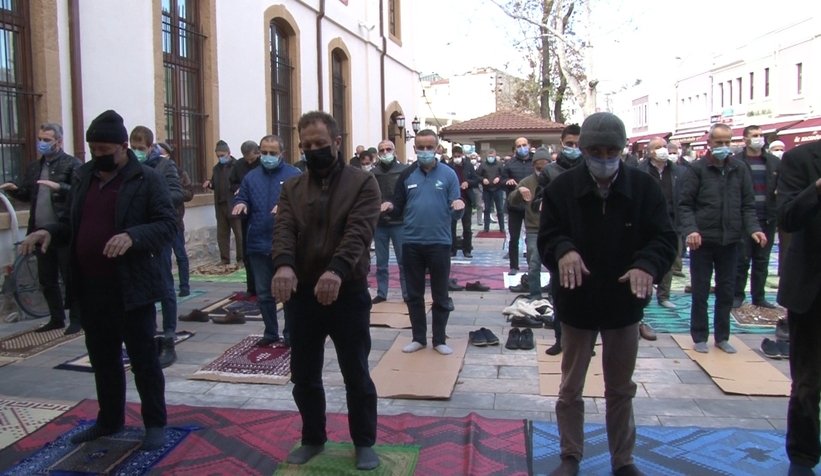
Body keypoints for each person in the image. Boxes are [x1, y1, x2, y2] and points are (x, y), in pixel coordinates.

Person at [20, 110, 177, 450]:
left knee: (143, 360)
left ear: (123, 147)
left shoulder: (146, 179)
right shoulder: (83, 177)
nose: (99, 156)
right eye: (94, 149)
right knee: (103, 359)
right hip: (91, 288)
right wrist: (47, 231)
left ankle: (154, 423)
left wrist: (133, 236)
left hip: (131, 287)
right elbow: (71, 223)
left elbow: (167, 225)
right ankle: (109, 419)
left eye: (106, 150)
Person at [539, 112, 677, 476]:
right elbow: (547, 236)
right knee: (570, 386)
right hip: (577, 299)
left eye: (611, 150)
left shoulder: (644, 188)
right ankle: (571, 455)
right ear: (583, 150)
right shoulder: (561, 189)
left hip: (623, 303)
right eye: (595, 150)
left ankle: (623, 459)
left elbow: (664, 238)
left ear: (623, 149)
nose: (603, 157)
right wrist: (564, 249)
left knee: (620, 387)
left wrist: (647, 264)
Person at [271, 111, 380, 470]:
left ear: (336, 142)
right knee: (303, 374)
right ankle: (313, 438)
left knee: (356, 372)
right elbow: (284, 228)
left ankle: (363, 441)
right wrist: (284, 264)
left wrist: (336, 270)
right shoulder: (292, 188)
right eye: (307, 145)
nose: (314, 150)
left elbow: (359, 232)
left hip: (346, 292)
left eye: (321, 143)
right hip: (303, 296)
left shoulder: (363, 183)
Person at [679, 123, 767, 354]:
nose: (724, 146)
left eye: (727, 142)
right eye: (719, 143)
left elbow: (747, 205)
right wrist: (691, 230)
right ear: (709, 143)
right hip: (703, 241)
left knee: (726, 290)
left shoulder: (739, 169)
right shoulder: (697, 170)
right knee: (700, 290)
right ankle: (699, 335)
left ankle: (722, 336)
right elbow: (685, 204)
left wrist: (754, 229)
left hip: (731, 240)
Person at [383, 129, 465, 355]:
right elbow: (398, 206)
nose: (425, 151)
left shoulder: (448, 175)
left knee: (440, 294)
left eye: (430, 147)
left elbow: (455, 208)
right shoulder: (407, 175)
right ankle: (418, 337)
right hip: (411, 243)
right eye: (421, 147)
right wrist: (390, 208)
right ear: (415, 148)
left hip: (439, 242)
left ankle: (439, 339)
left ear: (438, 148)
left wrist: (459, 207)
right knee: (414, 294)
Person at [0, 123, 82, 335]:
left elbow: (79, 193)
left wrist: (60, 187)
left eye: (47, 140)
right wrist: (15, 191)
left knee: (70, 276)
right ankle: (56, 318)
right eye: (40, 139)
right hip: (38, 230)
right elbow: (29, 194)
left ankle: (76, 318)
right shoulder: (35, 167)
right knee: (46, 278)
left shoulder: (72, 165)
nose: (42, 143)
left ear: (59, 141)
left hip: (63, 231)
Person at [775, 140, 821, 476]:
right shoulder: (799, 160)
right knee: (808, 382)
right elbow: (787, 217)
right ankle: (802, 459)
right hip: (812, 289)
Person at [233, 135, 300, 346]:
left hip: (286, 244)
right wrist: (241, 203)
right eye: (264, 152)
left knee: (289, 291)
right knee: (264, 293)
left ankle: (291, 333)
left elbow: (305, 202)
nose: (268, 157)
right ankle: (271, 332)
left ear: (282, 154)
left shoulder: (294, 175)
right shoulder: (251, 177)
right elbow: (241, 195)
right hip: (258, 243)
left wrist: (286, 206)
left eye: (272, 153)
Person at [129, 126, 183, 368]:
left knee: (164, 285)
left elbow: (176, 193)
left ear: (151, 147)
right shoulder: (128, 168)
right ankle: (147, 333)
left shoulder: (164, 166)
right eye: (133, 147)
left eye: (141, 148)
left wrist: (151, 198)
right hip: (137, 235)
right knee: (141, 284)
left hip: (159, 233)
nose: (136, 152)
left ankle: (169, 336)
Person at [533, 124, 583, 356]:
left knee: (586, 293)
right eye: (570, 144)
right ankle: (559, 338)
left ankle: (584, 341)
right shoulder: (550, 171)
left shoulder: (590, 169)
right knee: (558, 291)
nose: (574, 148)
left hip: (585, 238)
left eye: (578, 144)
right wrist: (541, 203)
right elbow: (537, 200)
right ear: (562, 143)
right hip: (558, 239)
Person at [732, 125, 780, 309]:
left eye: (761, 135)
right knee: (742, 259)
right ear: (745, 139)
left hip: (767, 216)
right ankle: (737, 294)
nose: (759, 138)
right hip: (743, 217)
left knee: (762, 260)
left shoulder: (773, 162)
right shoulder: (736, 162)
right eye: (754, 135)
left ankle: (759, 297)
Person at [637, 137, 686, 312]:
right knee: (646, 258)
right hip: (646, 221)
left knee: (669, 258)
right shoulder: (640, 171)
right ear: (650, 151)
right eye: (658, 147)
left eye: (665, 146)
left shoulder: (678, 171)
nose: (663, 150)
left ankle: (664, 295)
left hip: (672, 221)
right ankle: (644, 294)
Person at [507, 146, 550, 300]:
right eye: (539, 167)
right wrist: (519, 192)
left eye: (546, 166)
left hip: (553, 228)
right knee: (534, 263)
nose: (542, 170)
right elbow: (511, 201)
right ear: (534, 166)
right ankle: (535, 295)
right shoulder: (527, 181)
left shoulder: (557, 180)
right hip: (533, 229)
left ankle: (553, 294)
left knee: (556, 264)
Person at [371, 139, 408, 304]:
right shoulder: (372, 173)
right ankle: (382, 292)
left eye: (388, 149)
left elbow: (407, 195)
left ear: (394, 151)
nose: (385, 152)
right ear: (378, 153)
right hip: (379, 224)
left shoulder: (404, 170)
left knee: (403, 261)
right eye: (382, 150)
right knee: (381, 262)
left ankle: (407, 293)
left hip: (399, 222)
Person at [158, 142, 193, 297]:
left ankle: (184, 286)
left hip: (176, 220)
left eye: (163, 153)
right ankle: (165, 288)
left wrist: (172, 192)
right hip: (159, 221)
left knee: (180, 255)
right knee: (163, 258)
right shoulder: (152, 170)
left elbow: (189, 193)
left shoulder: (179, 172)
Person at [229, 140, 261, 297]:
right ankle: (251, 288)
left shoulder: (263, 164)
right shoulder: (239, 165)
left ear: (257, 153)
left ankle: (267, 287)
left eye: (251, 159)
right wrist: (238, 190)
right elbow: (233, 182)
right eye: (246, 159)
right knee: (248, 250)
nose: (249, 162)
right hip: (246, 213)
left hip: (262, 211)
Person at [204, 140, 243, 266]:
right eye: (218, 156)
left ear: (228, 153)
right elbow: (215, 184)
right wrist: (210, 184)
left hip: (234, 204)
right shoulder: (216, 168)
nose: (220, 158)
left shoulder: (237, 166)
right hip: (220, 205)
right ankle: (225, 259)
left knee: (239, 233)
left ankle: (241, 259)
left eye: (222, 155)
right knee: (222, 234)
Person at [503, 137, 534, 274]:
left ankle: (533, 265)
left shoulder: (535, 162)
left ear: (529, 145)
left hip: (531, 206)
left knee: (532, 237)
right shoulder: (509, 164)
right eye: (519, 146)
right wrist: (507, 181)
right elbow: (501, 179)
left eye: (524, 145)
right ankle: (514, 266)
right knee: (514, 238)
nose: (522, 148)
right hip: (514, 206)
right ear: (515, 148)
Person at [447, 145, 479, 258]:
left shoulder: (469, 166)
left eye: (458, 156)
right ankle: (452, 249)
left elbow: (476, 180)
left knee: (467, 227)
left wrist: (468, 183)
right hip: (452, 201)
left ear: (462, 155)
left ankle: (467, 249)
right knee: (451, 226)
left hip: (466, 200)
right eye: (455, 156)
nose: (457, 158)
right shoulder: (448, 167)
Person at [477, 149, 505, 232]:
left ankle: (502, 228)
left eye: (492, 156)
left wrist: (499, 178)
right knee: (487, 209)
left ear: (495, 156)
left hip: (498, 189)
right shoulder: (482, 165)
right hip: (487, 190)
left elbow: (504, 175)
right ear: (486, 156)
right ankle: (486, 228)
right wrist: (483, 179)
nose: (490, 158)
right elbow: (477, 176)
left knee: (500, 209)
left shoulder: (500, 164)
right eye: (489, 156)